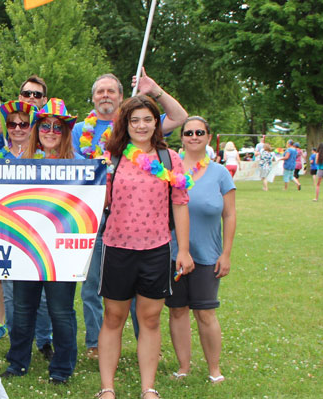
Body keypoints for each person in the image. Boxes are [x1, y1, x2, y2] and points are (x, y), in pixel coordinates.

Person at [75, 70, 188, 360]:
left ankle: (144, 343)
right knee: (93, 287)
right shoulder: (79, 131)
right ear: (93, 97)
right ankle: (95, 344)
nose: (105, 96)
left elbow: (180, 116)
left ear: (121, 97)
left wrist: (154, 90)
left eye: (111, 91)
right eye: (100, 91)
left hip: (141, 223)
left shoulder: (140, 123)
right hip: (95, 216)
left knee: (143, 293)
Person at [95, 95, 193, 399]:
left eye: (147, 119)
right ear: (126, 123)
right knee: (113, 318)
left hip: (157, 248)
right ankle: (107, 388)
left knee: (150, 319)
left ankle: (148, 388)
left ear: (156, 123)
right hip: (117, 247)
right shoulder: (112, 157)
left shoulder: (169, 159)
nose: (141, 125)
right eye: (134, 120)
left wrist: (185, 250)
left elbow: (180, 204)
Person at [4, 99, 80, 384]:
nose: (50, 131)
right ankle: (17, 363)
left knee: (61, 311)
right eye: (45, 125)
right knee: (23, 309)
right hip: (27, 247)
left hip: (62, 251)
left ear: (65, 132)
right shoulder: (22, 164)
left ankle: (61, 369)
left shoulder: (80, 166)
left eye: (57, 127)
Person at [167, 116, 236, 385]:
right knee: (177, 310)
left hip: (208, 254)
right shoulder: (170, 169)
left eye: (199, 132)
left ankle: (214, 369)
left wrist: (226, 253)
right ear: (181, 137)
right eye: (188, 132)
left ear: (208, 137)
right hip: (172, 254)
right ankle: (183, 366)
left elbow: (229, 215)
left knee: (205, 312)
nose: (193, 136)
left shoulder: (220, 173)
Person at [0, 100, 54, 356]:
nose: (17, 128)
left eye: (23, 124)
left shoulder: (41, 154)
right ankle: (18, 340)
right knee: (10, 291)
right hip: (7, 231)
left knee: (43, 294)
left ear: (32, 127)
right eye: (12, 124)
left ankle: (44, 339)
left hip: (39, 230)